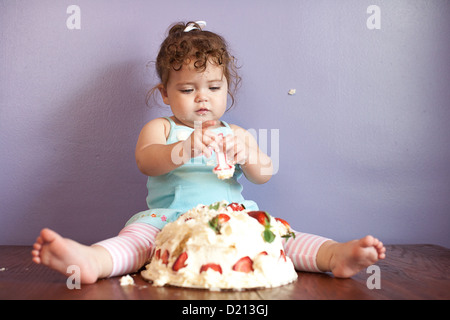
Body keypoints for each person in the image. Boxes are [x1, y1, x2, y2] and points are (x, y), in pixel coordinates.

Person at [32, 21, 385, 284]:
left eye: (214, 87)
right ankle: (92, 260)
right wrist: (183, 149)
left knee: (279, 236)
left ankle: (334, 255)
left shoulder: (237, 133)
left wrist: (248, 154)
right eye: (187, 88)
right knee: (137, 244)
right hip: (169, 219)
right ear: (166, 93)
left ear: (227, 88)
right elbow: (146, 161)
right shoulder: (162, 129)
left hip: (232, 217)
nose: (202, 96)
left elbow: (264, 172)